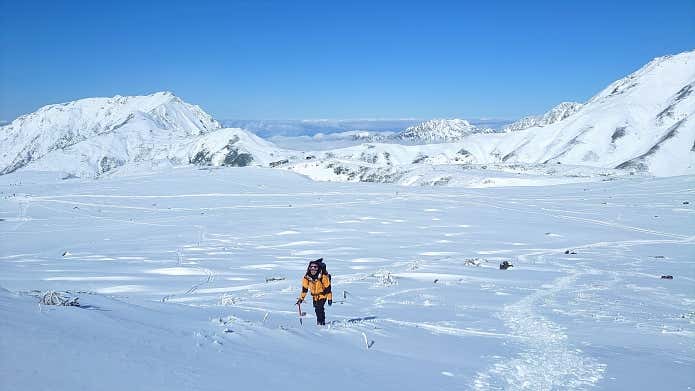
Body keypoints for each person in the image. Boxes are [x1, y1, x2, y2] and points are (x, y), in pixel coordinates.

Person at [296, 258, 332, 325]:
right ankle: (320, 322)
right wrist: (301, 299)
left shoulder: (323, 277)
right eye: (311, 268)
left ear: (318, 269)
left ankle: (321, 322)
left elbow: (328, 288)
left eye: (315, 268)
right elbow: (304, 289)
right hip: (314, 296)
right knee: (316, 309)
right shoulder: (306, 278)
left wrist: (330, 298)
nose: (313, 270)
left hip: (323, 295)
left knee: (319, 308)